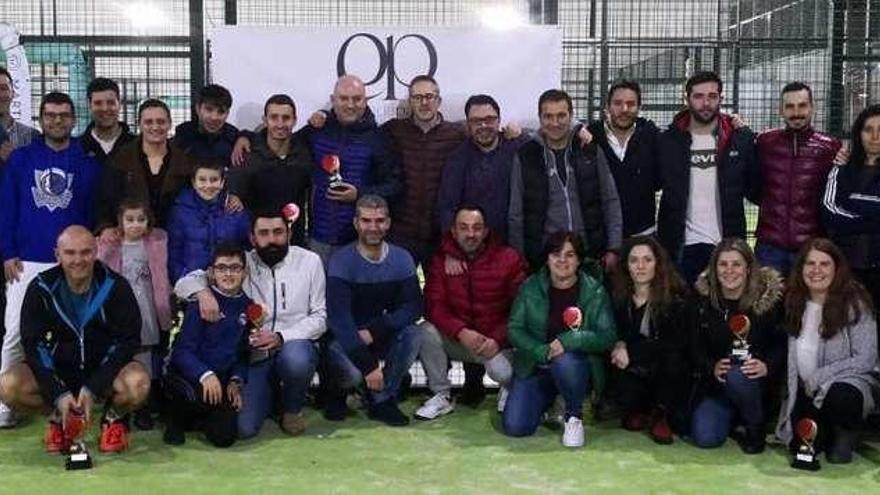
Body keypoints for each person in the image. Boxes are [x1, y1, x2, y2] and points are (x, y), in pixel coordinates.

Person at [174, 210, 325, 438]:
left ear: (289, 233)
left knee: (296, 360)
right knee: (244, 429)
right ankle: (271, 396)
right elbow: (183, 284)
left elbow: (320, 317)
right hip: (254, 359)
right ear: (253, 238)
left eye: (278, 232)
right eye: (263, 233)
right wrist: (203, 292)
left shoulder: (310, 261)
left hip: (293, 346)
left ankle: (292, 409)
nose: (271, 239)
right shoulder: (242, 263)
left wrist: (281, 336)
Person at [0, 226, 148, 453]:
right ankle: (59, 418)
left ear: (96, 251)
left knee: (138, 384)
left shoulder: (117, 286)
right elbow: (33, 343)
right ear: (57, 255)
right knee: (7, 387)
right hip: (59, 371)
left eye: (85, 252)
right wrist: (57, 393)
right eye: (70, 253)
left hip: (103, 372)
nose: (78, 260)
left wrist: (93, 388)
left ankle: (112, 418)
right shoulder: (40, 287)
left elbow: (128, 341)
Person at [0, 92, 100, 428]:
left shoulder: (87, 161)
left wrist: (89, 255)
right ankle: (5, 405)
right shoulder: (21, 159)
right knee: (14, 331)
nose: (57, 120)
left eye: (64, 115)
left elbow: (91, 212)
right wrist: (8, 252)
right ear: (41, 119)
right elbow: (7, 207)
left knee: (76, 332)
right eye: (50, 114)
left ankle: (78, 399)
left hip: (76, 263)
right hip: (27, 260)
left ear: (74, 119)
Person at [502, 231, 617, 448]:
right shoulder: (530, 287)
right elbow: (515, 328)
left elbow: (607, 336)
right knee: (516, 427)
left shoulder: (595, 291)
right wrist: (538, 350)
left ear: (579, 259)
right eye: (556, 254)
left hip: (577, 368)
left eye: (570, 255)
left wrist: (569, 341)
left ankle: (573, 415)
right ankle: (551, 401)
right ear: (547, 258)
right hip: (537, 366)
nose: (562, 260)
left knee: (565, 360)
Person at [415, 205, 528, 420]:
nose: (471, 234)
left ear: (486, 231)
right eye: (464, 227)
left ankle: (509, 387)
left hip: (498, 344)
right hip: (462, 342)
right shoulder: (440, 261)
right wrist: (461, 332)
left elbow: (521, 309)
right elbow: (433, 305)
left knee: (502, 372)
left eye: (477, 228)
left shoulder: (509, 258)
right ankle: (441, 395)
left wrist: (497, 338)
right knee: (425, 332)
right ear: (454, 231)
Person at [776, 238, 879, 464]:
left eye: (824, 264)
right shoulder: (793, 301)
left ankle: (846, 431)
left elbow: (866, 358)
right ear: (801, 268)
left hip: (846, 388)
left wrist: (819, 377)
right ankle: (824, 432)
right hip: (806, 392)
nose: (816, 270)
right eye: (810, 263)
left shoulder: (856, 302)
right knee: (799, 447)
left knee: (840, 399)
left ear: (837, 268)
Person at [324, 195, 422, 426]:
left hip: (380, 334)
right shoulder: (341, 261)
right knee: (353, 373)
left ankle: (380, 399)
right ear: (356, 223)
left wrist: (377, 329)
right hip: (347, 339)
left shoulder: (402, 259)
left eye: (379, 221)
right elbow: (339, 320)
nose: (373, 227)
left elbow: (414, 307)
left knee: (416, 334)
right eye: (367, 221)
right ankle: (343, 389)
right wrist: (369, 367)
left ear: (388, 223)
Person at [657, 71, 758, 285]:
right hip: (682, 246)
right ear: (687, 99)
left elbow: (755, 188)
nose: (706, 103)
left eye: (712, 96)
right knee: (683, 311)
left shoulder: (740, 139)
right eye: (699, 96)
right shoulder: (668, 140)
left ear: (721, 99)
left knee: (724, 311)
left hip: (726, 246)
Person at [509, 89, 623, 272]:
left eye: (561, 115)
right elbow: (516, 213)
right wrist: (518, 257)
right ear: (539, 118)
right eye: (548, 116)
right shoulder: (525, 156)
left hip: (591, 255)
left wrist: (613, 248)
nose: (555, 123)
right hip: (545, 259)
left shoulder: (590, 151)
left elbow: (610, 200)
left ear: (571, 116)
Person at [689, 238, 785, 453]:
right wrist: (710, 366)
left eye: (736, 264)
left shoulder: (769, 301)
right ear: (714, 268)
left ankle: (755, 425)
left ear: (748, 268)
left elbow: (781, 343)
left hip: (754, 383)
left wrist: (767, 365)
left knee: (738, 375)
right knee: (706, 438)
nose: (729, 271)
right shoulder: (702, 302)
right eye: (723, 264)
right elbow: (694, 346)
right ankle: (734, 419)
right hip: (717, 386)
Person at [307, 75, 401, 265]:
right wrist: (244, 137)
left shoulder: (379, 139)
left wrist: (360, 194)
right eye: (344, 98)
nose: (350, 105)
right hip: (318, 239)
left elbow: (395, 185)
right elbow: (281, 143)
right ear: (333, 100)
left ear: (365, 101)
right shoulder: (316, 131)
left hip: (360, 242)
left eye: (357, 99)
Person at [96, 197, 173, 430]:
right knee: (120, 356)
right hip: (120, 312)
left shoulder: (156, 242)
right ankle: (119, 407)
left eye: (141, 219)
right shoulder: (110, 246)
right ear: (119, 222)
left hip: (147, 308)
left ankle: (142, 407)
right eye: (129, 220)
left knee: (145, 356)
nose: (135, 225)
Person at [164, 243, 251, 447]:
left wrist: (236, 381)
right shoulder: (201, 302)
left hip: (222, 378)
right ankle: (175, 419)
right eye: (222, 268)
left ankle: (202, 417)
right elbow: (182, 352)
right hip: (190, 373)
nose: (228, 274)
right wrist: (205, 374)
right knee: (194, 394)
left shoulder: (249, 308)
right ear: (211, 273)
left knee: (224, 438)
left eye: (235, 268)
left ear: (245, 272)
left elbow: (243, 353)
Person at [607, 236, 690, 444]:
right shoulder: (617, 295)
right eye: (634, 260)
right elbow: (614, 332)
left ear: (658, 264)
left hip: (666, 371)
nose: (640, 266)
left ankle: (661, 413)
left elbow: (674, 344)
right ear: (626, 265)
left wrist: (631, 352)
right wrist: (619, 344)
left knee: (673, 360)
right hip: (633, 367)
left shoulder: (675, 296)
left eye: (647, 260)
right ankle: (640, 410)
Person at [754, 82, 841, 274]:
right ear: (781, 110)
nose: (796, 112)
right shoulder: (765, 143)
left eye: (802, 105)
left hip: (811, 248)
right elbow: (752, 184)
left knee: (808, 303)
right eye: (790, 106)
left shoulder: (830, 147)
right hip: (770, 247)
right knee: (765, 303)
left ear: (812, 107)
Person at [437, 94, 529, 243]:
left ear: (499, 120)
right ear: (468, 124)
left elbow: (547, 142)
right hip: (472, 248)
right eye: (476, 121)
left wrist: (578, 130)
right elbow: (447, 208)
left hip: (514, 246)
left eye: (489, 119)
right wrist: (452, 251)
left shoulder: (517, 148)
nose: (484, 126)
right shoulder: (457, 159)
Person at [228, 94, 313, 246]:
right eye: (274, 117)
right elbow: (234, 198)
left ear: (295, 120)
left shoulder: (305, 152)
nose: (280, 124)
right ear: (265, 120)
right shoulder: (247, 155)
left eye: (286, 118)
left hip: (295, 242)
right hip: (257, 244)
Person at [101, 99, 196, 230]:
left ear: (170, 124)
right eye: (148, 122)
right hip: (131, 237)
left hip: (174, 237)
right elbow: (106, 201)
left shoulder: (185, 162)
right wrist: (106, 227)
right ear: (139, 124)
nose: (155, 127)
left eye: (161, 122)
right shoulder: (120, 159)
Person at [822, 104, 880, 312]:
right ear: (859, 133)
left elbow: (842, 215)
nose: (874, 136)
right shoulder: (842, 168)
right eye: (868, 129)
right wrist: (871, 221)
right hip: (846, 270)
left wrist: (851, 216)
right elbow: (829, 212)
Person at [587, 79, 660, 238]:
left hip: (643, 234)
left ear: (639, 107)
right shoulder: (590, 138)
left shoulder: (651, 137)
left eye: (630, 104)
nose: (624, 109)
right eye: (618, 103)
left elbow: (659, 181)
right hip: (602, 236)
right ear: (607, 106)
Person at [166, 161, 251, 283]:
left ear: (222, 182)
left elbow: (247, 248)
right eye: (202, 180)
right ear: (194, 182)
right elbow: (174, 253)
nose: (208, 185)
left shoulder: (235, 210)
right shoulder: (180, 212)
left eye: (214, 180)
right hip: (192, 284)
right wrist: (184, 282)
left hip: (230, 283)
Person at [173, 84, 239, 166]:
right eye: (209, 109)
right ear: (198, 109)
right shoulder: (184, 133)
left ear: (227, 113)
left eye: (221, 111)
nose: (214, 117)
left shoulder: (234, 136)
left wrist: (245, 136)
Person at [79, 77, 134, 165]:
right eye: (98, 103)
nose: (105, 108)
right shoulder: (79, 146)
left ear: (119, 104)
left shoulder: (136, 145)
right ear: (89, 106)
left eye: (110, 102)